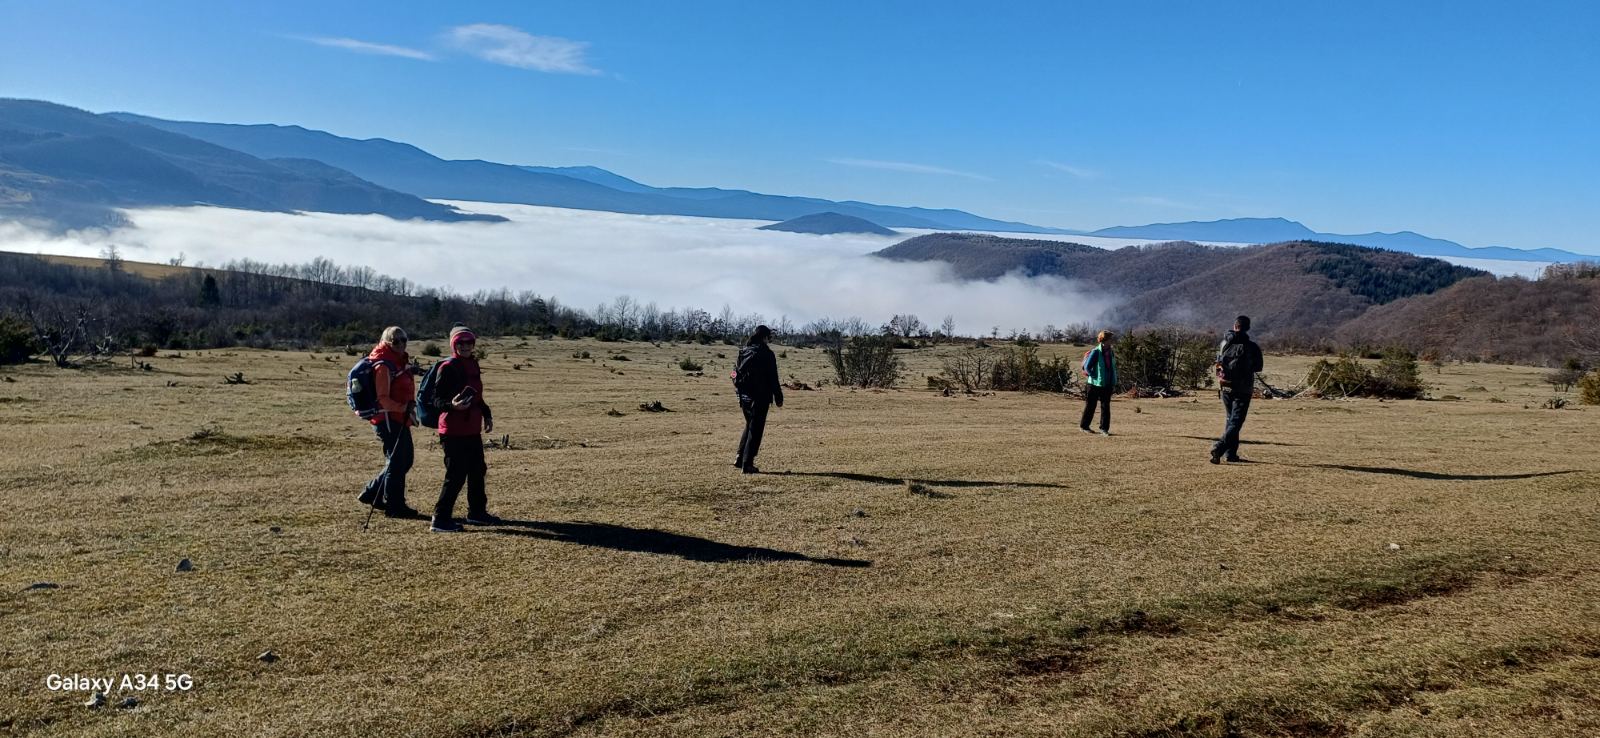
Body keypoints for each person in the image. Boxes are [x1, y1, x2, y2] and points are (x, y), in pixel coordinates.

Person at [426, 326, 498, 532]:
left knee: (477, 470)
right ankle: (440, 519)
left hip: (472, 429)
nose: (465, 346)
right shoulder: (448, 367)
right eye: (460, 342)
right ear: (453, 345)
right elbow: (436, 399)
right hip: (452, 431)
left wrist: (487, 414)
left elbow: (477, 397)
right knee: (456, 474)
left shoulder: (473, 364)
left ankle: (477, 513)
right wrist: (452, 406)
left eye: (469, 342)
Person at [357, 327, 419, 518]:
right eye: (395, 341)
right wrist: (403, 407)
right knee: (398, 462)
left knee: (403, 460)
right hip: (388, 419)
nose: (400, 344)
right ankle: (395, 506)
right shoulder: (383, 365)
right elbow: (383, 398)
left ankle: (372, 493)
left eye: (403, 340)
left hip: (398, 418)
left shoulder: (396, 361)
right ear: (386, 342)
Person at [1211, 315, 1265, 464]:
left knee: (1230, 420)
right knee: (1236, 421)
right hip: (1243, 387)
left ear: (1235, 326)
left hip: (1226, 386)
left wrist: (1221, 378)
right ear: (1248, 328)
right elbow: (1258, 367)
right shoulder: (1252, 346)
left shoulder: (1224, 343)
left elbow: (1218, 363)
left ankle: (1231, 454)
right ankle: (1220, 447)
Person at [733, 324, 784, 474]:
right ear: (765, 337)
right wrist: (778, 396)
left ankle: (740, 457)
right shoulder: (767, 354)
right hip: (760, 396)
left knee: (750, 425)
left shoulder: (744, 351)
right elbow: (773, 377)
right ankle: (747, 464)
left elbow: (735, 373)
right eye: (769, 337)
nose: (770, 339)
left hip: (744, 396)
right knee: (756, 429)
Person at [1080, 329, 1117, 436]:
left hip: (1107, 384)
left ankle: (1104, 429)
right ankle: (1084, 426)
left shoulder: (1111, 352)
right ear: (1104, 340)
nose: (1112, 341)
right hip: (1093, 385)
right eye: (1110, 339)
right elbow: (1087, 367)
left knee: (1106, 407)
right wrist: (1095, 377)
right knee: (1090, 406)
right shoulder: (1096, 352)